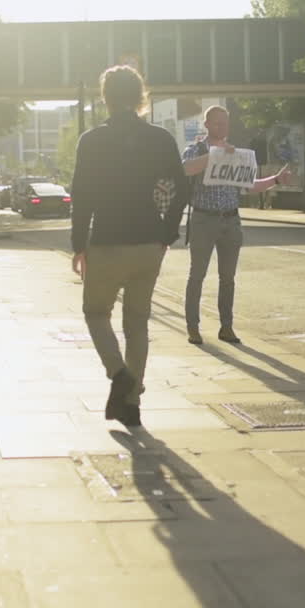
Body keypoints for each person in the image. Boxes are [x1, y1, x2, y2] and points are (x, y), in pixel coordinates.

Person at [70, 65, 189, 426]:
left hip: (106, 241)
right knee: (137, 323)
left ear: (105, 98)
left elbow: (82, 197)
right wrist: (167, 232)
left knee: (95, 314)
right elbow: (181, 188)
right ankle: (132, 402)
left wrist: (78, 245)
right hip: (148, 242)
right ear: (141, 97)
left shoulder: (91, 141)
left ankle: (118, 374)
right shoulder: (160, 138)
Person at [182, 106, 290, 345]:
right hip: (204, 219)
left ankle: (226, 327)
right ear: (207, 124)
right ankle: (193, 327)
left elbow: (249, 185)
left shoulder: (237, 154)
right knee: (197, 275)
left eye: (226, 123)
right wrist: (214, 155)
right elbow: (185, 169)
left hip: (230, 220)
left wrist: (275, 180)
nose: (223, 127)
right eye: (218, 123)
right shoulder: (196, 150)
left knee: (227, 278)